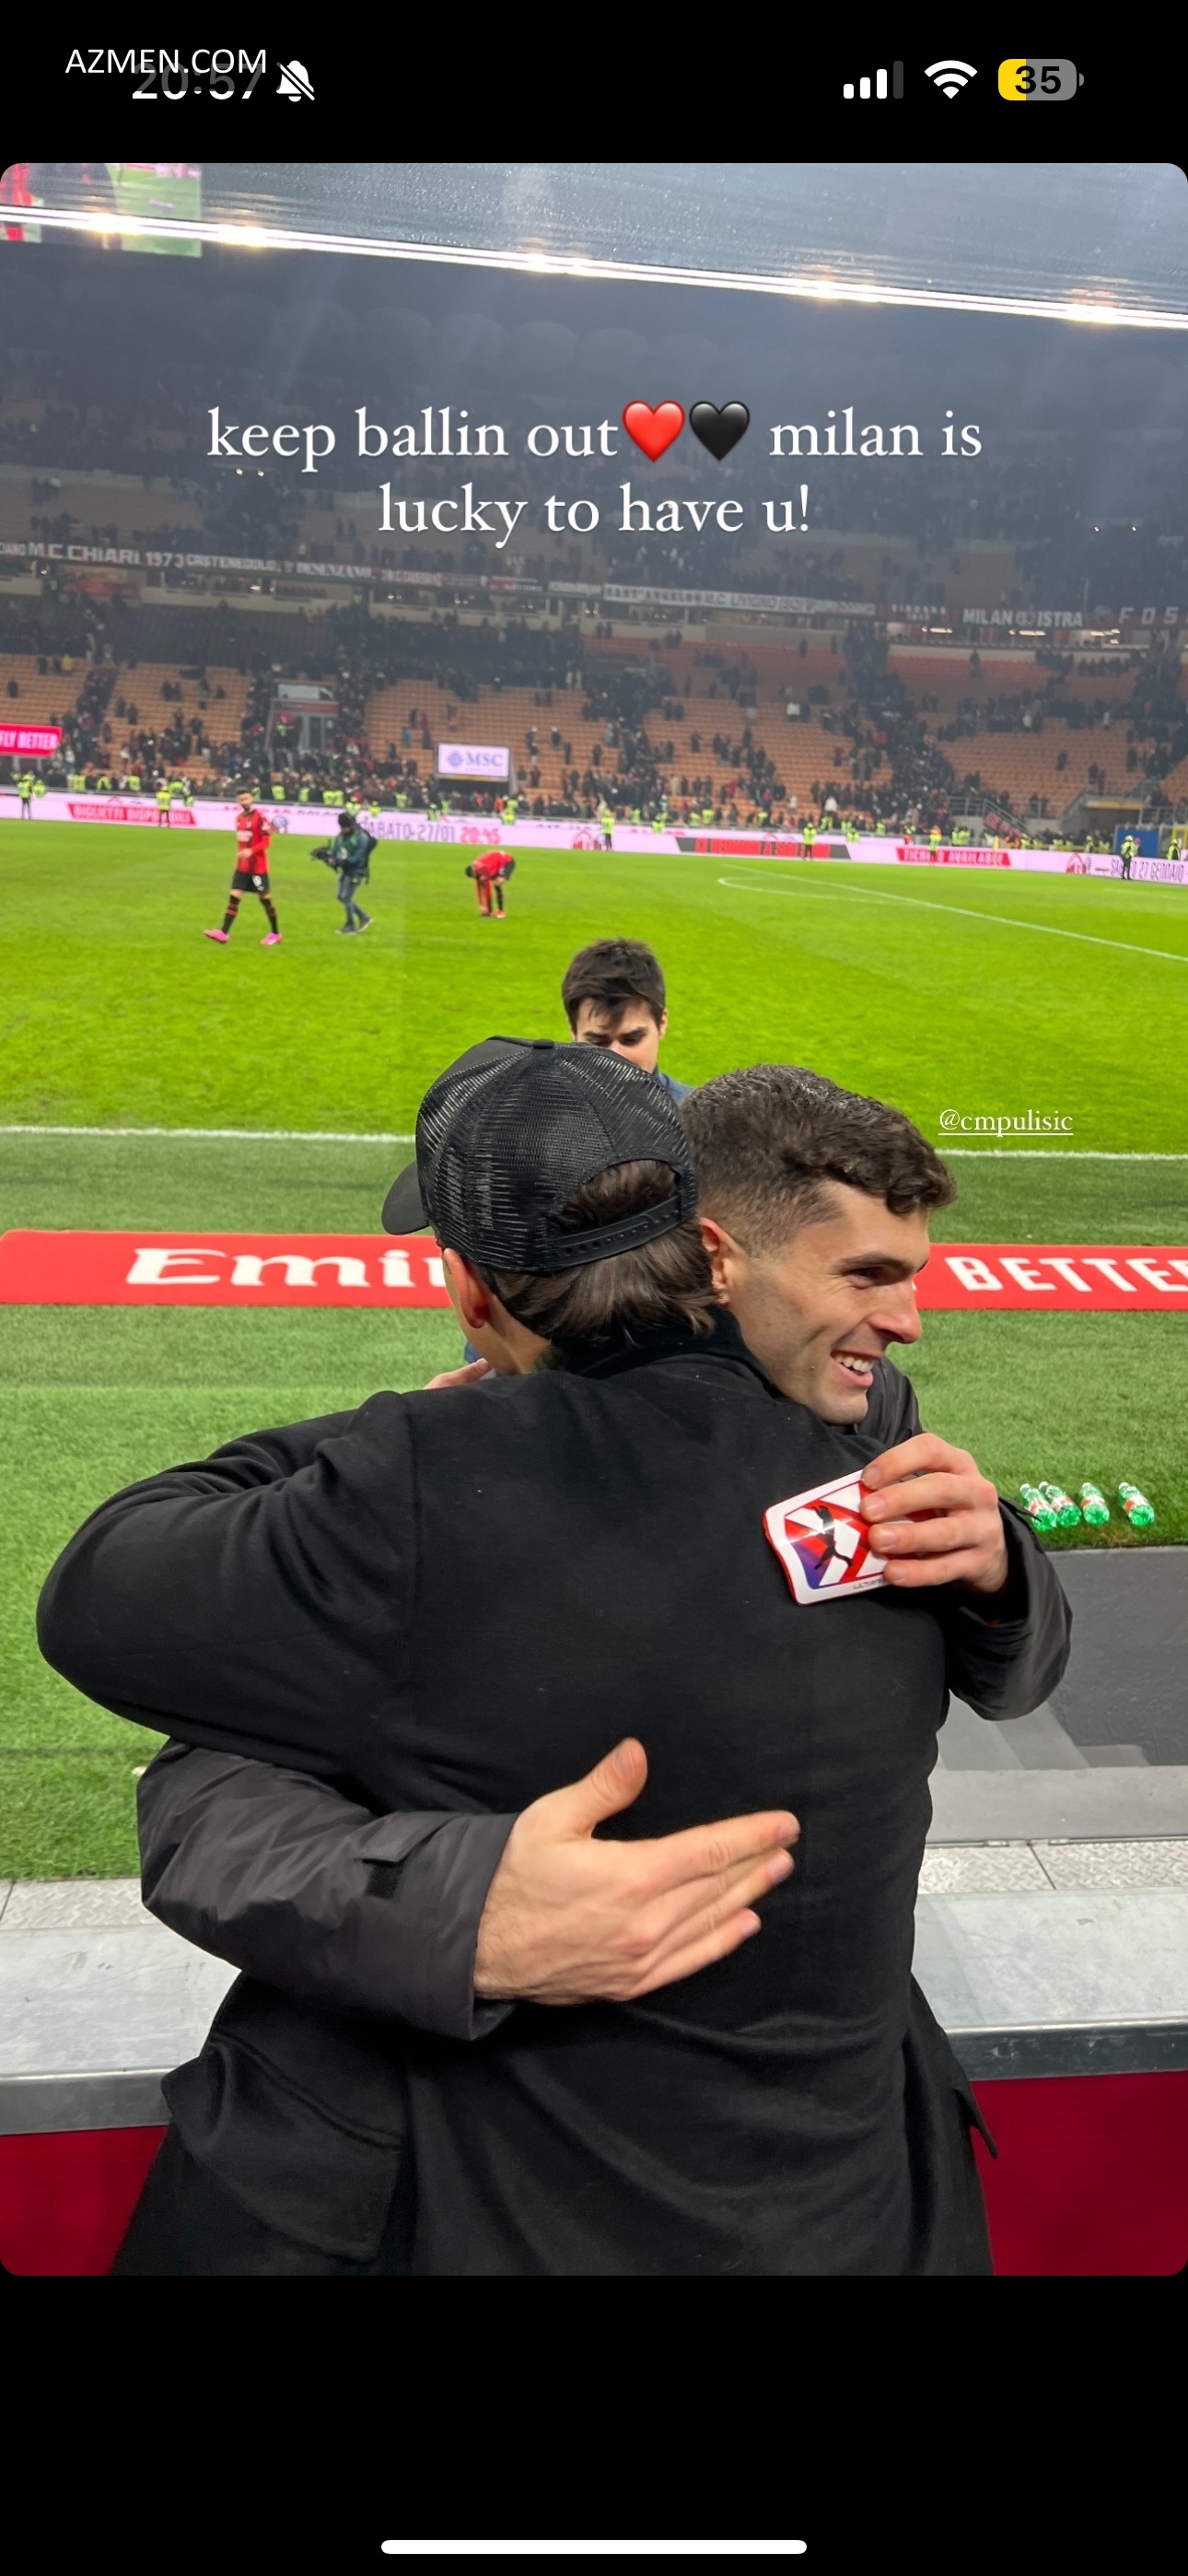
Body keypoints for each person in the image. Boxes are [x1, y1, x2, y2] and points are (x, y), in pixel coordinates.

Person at [41, 1051, 1069, 2277]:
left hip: (498, 2203)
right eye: (866, 1276)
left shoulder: (421, 1494)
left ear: (472, 1289)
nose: (897, 1324)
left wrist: (402, 1434)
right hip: (861, 2208)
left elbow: (120, 1638)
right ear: (703, 1254)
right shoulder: (844, 1448)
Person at [561, 937, 689, 1100]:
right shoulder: (540, 1111)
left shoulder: (692, 1113)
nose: (615, 1060)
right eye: (597, 1043)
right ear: (573, 1030)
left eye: (631, 1039)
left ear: (661, 1024)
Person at [204, 790, 281, 947]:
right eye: (241, 799)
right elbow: (242, 843)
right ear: (238, 801)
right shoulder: (239, 818)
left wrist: (251, 851)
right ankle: (224, 933)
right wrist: (239, 860)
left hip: (258, 869)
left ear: (251, 798)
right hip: (243, 868)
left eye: (246, 798)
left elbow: (267, 842)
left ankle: (275, 933)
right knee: (234, 897)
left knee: (265, 899)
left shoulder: (260, 817)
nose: (244, 801)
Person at [311, 811, 375, 935]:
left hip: (357, 871)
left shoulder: (361, 838)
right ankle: (364, 917)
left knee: (346, 897)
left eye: (344, 827)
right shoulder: (340, 837)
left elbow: (357, 859)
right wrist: (328, 858)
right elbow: (335, 853)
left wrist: (338, 861)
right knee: (341, 897)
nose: (342, 830)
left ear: (350, 826)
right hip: (346, 871)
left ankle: (350, 925)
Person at [464, 846, 513, 918]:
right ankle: (492, 911)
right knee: (487, 882)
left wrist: (488, 909)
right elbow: (479, 888)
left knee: (497, 883)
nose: (475, 877)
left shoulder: (483, 869)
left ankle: (500, 911)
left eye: (475, 875)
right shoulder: (476, 869)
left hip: (507, 861)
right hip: (495, 866)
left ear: (474, 870)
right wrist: (481, 905)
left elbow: (487, 890)